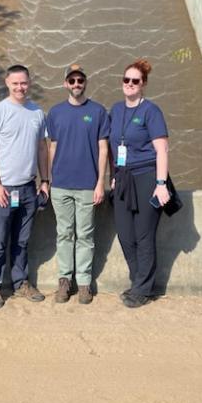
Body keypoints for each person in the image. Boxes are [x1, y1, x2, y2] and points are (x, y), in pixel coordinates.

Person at [0, 64, 49, 309]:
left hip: (29, 189)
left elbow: (42, 148)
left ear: (30, 83)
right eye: (16, 83)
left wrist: (45, 181)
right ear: (7, 83)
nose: (20, 87)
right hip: (4, 189)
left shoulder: (37, 112)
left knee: (22, 240)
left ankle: (21, 283)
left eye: (24, 83)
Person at [109, 59, 170, 308]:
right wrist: (112, 176)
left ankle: (143, 288)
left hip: (146, 175)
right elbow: (111, 146)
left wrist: (161, 183)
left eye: (135, 81)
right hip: (123, 177)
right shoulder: (115, 109)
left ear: (143, 84)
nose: (130, 84)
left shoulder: (151, 111)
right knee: (125, 235)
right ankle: (138, 282)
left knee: (144, 236)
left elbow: (163, 149)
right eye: (126, 80)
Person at [46, 64, 110, 304]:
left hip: (87, 186)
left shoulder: (98, 112)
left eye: (80, 80)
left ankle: (84, 282)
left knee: (85, 235)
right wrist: (48, 180)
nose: (76, 84)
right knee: (64, 234)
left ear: (85, 82)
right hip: (60, 185)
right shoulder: (55, 113)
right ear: (65, 83)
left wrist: (99, 183)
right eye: (71, 81)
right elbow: (51, 147)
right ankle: (64, 280)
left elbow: (103, 149)